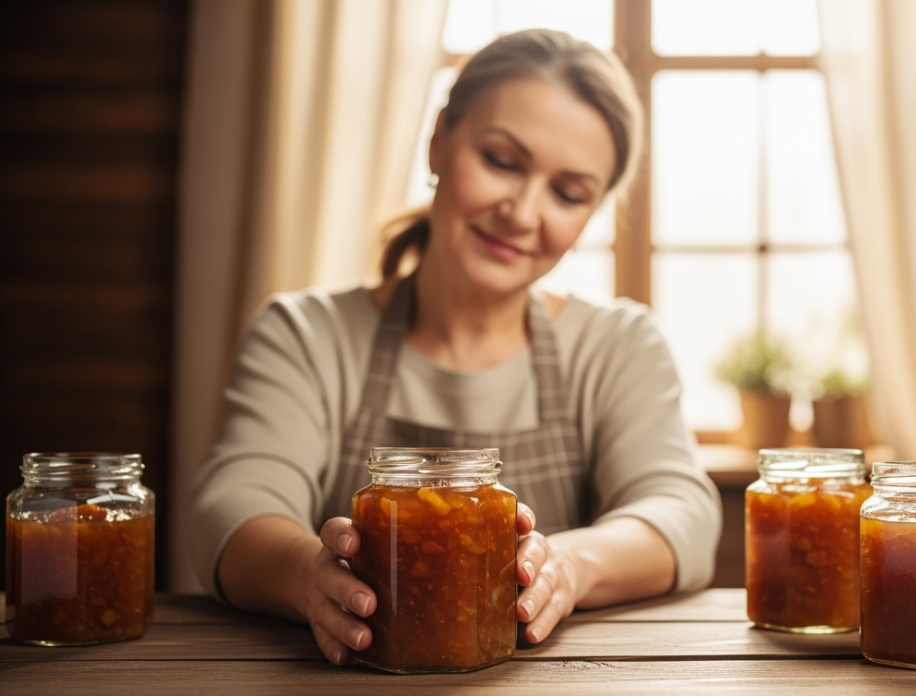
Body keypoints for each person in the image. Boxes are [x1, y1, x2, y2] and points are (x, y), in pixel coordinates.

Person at [187, 29, 722, 667]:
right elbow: (232, 507)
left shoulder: (619, 346)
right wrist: (309, 576)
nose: (522, 212)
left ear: (590, 215)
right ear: (439, 139)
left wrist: (568, 566)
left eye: (568, 194)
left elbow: (683, 514)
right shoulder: (304, 334)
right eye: (502, 160)